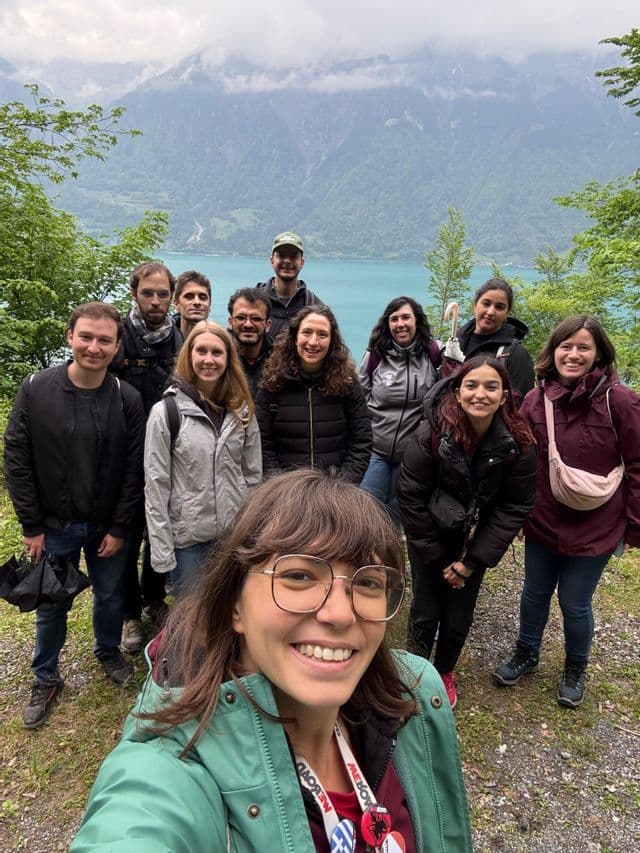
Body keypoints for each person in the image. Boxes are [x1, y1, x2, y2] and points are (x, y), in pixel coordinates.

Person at [71, 470, 472, 851]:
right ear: (234, 605)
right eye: (299, 576)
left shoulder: (418, 698)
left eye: (367, 582)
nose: (340, 614)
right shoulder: (170, 773)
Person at [3, 302, 145, 729]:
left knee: (110, 595)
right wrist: (31, 525)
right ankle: (45, 676)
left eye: (105, 340)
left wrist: (121, 526)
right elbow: (17, 458)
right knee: (51, 603)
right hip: (54, 524)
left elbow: (134, 469)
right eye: (86, 336)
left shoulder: (127, 398)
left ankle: (107, 650)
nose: (94, 347)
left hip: (107, 524)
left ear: (117, 345)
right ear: (70, 337)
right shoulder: (36, 389)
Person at [495, 316, 640, 708]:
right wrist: (520, 514)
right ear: (553, 350)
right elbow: (522, 462)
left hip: (597, 526)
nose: (573, 354)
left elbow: (638, 464)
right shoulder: (536, 400)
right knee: (534, 592)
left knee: (575, 602)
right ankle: (527, 651)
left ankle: (576, 665)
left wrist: (633, 529)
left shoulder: (620, 401)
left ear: (598, 354)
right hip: (543, 519)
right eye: (566, 346)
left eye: (583, 347)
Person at [397, 356, 536, 709]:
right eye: (471, 386)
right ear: (457, 392)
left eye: (491, 387)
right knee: (426, 609)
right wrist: (440, 559)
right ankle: (415, 669)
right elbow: (411, 495)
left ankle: (444, 670)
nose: (480, 394)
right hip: (430, 533)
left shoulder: (518, 442)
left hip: (475, 541)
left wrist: (472, 561)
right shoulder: (433, 431)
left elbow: (513, 507)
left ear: (505, 395)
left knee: (459, 615)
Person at [144, 321, 262, 597]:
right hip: (189, 539)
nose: (209, 360)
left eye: (217, 353)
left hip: (233, 535)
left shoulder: (242, 412)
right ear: (189, 355)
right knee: (191, 616)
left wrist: (251, 530)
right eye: (202, 351)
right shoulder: (167, 413)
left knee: (231, 611)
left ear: (228, 359)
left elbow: (253, 476)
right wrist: (162, 550)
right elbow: (157, 484)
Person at [111, 261, 183, 653]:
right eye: (148, 293)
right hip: (123, 452)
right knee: (127, 530)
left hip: (168, 451)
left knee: (162, 527)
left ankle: (154, 597)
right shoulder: (118, 337)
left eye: (162, 294)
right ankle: (128, 613)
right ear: (134, 293)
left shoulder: (179, 340)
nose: (156, 301)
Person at [256, 306, 372, 483]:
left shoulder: (347, 382)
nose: (313, 342)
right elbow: (263, 443)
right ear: (295, 337)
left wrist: (343, 484)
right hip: (285, 491)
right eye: (307, 332)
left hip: (333, 489)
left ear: (332, 341)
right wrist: (279, 485)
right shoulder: (273, 382)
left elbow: (361, 439)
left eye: (322, 335)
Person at [358, 296, 441, 524]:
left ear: (417, 321)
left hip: (411, 452)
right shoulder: (375, 355)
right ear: (387, 324)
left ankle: (388, 558)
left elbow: (445, 398)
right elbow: (359, 398)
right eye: (394, 319)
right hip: (375, 448)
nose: (400, 324)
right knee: (366, 510)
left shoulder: (432, 355)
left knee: (397, 514)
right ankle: (362, 557)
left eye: (406, 317)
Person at [456, 278, 534, 404]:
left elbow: (521, 406)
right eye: (486, 304)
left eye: (499, 307)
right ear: (475, 305)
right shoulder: (455, 344)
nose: (491, 312)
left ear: (506, 313)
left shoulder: (514, 354)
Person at [256, 231, 323, 341]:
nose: (287, 261)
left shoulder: (314, 305)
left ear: (302, 262)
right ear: (272, 260)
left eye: (293, 256)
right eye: (281, 256)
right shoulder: (255, 300)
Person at [227, 286, 272, 399]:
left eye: (256, 318)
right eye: (241, 318)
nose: (248, 324)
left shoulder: (280, 361)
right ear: (230, 322)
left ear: (267, 325)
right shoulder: (220, 359)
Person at [173, 270, 211, 337]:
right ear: (176, 304)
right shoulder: (161, 341)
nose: (197, 302)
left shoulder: (220, 344)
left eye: (202, 297)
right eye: (189, 297)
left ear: (209, 305)